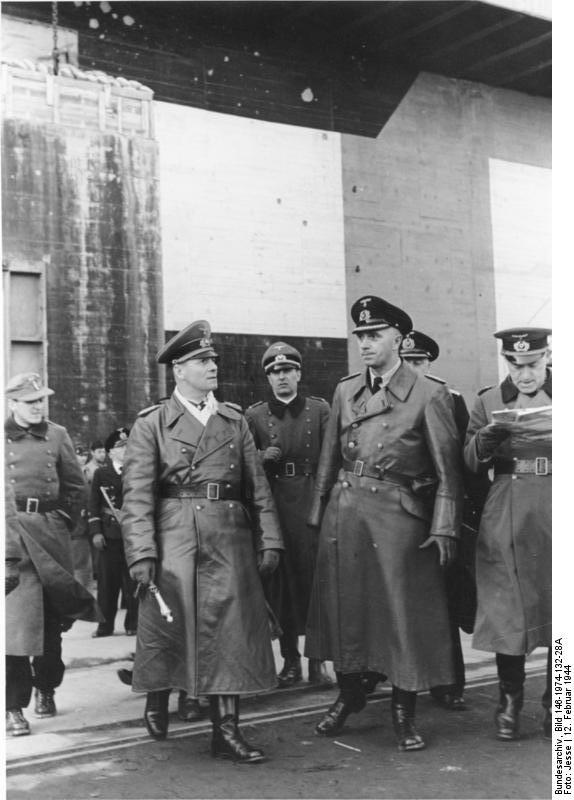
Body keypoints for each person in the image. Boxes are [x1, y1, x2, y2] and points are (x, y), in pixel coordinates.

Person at [120, 320, 284, 763]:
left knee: (229, 633)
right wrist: (141, 552)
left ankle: (225, 731)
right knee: (172, 626)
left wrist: (270, 538)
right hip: (174, 534)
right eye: (201, 360)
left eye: (212, 359)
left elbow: (258, 487)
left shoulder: (233, 419)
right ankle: (157, 695)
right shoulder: (153, 423)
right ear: (178, 370)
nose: (212, 366)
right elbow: (136, 495)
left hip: (230, 534)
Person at [305, 296, 463, 752]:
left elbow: (448, 471)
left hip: (398, 520)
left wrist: (445, 527)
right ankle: (350, 694)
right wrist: (319, 511)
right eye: (361, 336)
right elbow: (328, 457)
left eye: (374, 335)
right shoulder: (345, 389)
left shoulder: (429, 393)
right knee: (348, 614)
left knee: (399, 619)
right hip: (347, 513)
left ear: (399, 338)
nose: (365, 344)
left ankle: (402, 709)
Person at [464, 326, 552, 741]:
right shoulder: (488, 400)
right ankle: (509, 701)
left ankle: (559, 700)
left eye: (532, 364)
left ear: (548, 356)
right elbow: (468, 460)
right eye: (515, 365)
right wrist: (485, 438)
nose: (524, 374)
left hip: (556, 503)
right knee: (506, 607)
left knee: (559, 604)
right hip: (507, 508)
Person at [4, 373, 102, 737]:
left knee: (50, 623)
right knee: (13, 629)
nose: (37, 407)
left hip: (50, 534)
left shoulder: (58, 435)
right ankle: (13, 706)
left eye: (41, 400)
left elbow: (76, 487)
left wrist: (60, 519)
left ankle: (46, 687)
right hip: (10, 536)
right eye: (30, 401)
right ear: (12, 403)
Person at [400, 330, 487, 711]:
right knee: (402, 594)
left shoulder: (450, 400)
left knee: (445, 598)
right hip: (402, 511)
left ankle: (448, 681)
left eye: (419, 361)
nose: (413, 369)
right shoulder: (390, 397)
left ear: (430, 363)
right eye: (408, 362)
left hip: (441, 510)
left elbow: (464, 466)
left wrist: (475, 515)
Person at [245, 342, 332, 688]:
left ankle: (317, 662)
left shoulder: (318, 410)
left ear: (298, 373)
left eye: (287, 371)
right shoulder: (254, 416)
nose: (281, 377)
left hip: (311, 501)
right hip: (275, 504)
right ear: (268, 378)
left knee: (315, 583)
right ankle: (291, 660)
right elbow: (245, 464)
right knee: (281, 584)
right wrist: (262, 456)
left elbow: (331, 458)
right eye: (274, 373)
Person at [88, 427, 138, 637]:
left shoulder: (138, 471)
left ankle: (133, 625)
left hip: (133, 535)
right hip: (109, 535)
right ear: (110, 452)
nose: (125, 449)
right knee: (107, 584)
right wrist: (96, 532)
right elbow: (93, 505)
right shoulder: (101, 473)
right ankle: (105, 625)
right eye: (120, 447)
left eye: (128, 445)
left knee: (134, 583)